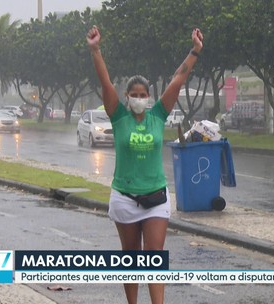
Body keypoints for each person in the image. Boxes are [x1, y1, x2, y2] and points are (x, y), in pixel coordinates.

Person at [86, 25, 203, 304]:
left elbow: (177, 80)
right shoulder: (118, 116)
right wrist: (95, 50)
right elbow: (105, 83)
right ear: (127, 98)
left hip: (155, 197)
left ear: (149, 97)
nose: (139, 98)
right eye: (134, 95)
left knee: (154, 257)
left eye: (143, 94)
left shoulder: (158, 116)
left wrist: (195, 51)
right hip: (124, 198)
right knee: (130, 257)